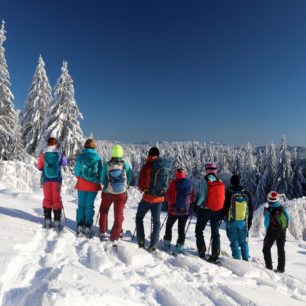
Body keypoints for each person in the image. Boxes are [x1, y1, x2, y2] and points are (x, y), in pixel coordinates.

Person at [136, 147, 171, 252]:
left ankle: (141, 240)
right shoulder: (163, 166)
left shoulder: (146, 166)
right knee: (156, 222)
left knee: (139, 217)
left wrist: (143, 189)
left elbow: (140, 185)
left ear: (149, 154)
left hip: (147, 198)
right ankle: (153, 244)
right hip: (159, 199)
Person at [98, 144, 132, 245]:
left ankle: (103, 232)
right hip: (121, 194)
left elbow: (102, 179)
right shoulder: (125, 165)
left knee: (104, 211)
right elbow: (129, 178)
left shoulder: (107, 165)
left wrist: (106, 183)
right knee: (118, 215)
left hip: (107, 192)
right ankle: (115, 235)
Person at [195, 162, 225, 262]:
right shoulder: (219, 180)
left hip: (205, 210)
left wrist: (197, 204)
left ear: (206, 170)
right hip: (217, 210)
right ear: (215, 170)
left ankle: (202, 250)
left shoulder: (205, 181)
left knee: (199, 230)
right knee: (215, 233)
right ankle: (215, 253)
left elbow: (203, 196)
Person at [37, 137, 68, 231]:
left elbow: (39, 166)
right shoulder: (60, 154)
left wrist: (45, 170)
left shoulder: (43, 154)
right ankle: (57, 220)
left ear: (48, 144)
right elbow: (65, 163)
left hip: (46, 179)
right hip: (57, 180)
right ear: (56, 144)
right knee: (56, 198)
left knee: (47, 198)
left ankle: (47, 219)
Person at [74, 139, 102, 238]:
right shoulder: (98, 158)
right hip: (93, 185)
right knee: (89, 205)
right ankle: (88, 225)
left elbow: (76, 172)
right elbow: (101, 172)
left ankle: (80, 224)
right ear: (94, 147)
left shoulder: (81, 157)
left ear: (85, 146)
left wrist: (80, 178)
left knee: (81, 204)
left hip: (82, 184)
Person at [163, 168, 194, 254]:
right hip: (185, 211)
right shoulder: (189, 183)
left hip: (174, 210)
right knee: (181, 229)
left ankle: (167, 243)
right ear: (185, 174)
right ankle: (179, 246)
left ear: (176, 174)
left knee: (169, 226)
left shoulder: (173, 183)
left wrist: (170, 205)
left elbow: (168, 197)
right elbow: (192, 198)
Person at [223, 174, 254, 261]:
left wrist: (221, 216)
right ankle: (246, 259)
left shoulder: (229, 192)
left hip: (232, 221)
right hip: (243, 221)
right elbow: (251, 207)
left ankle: (237, 260)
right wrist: (249, 221)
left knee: (234, 242)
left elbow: (225, 206)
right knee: (243, 241)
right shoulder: (246, 192)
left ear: (231, 182)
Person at [263, 191, 290, 273]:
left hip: (272, 231)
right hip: (283, 230)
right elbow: (288, 218)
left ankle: (269, 269)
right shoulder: (282, 208)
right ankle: (281, 269)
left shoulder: (268, 210)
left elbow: (266, 224)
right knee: (281, 249)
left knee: (266, 249)